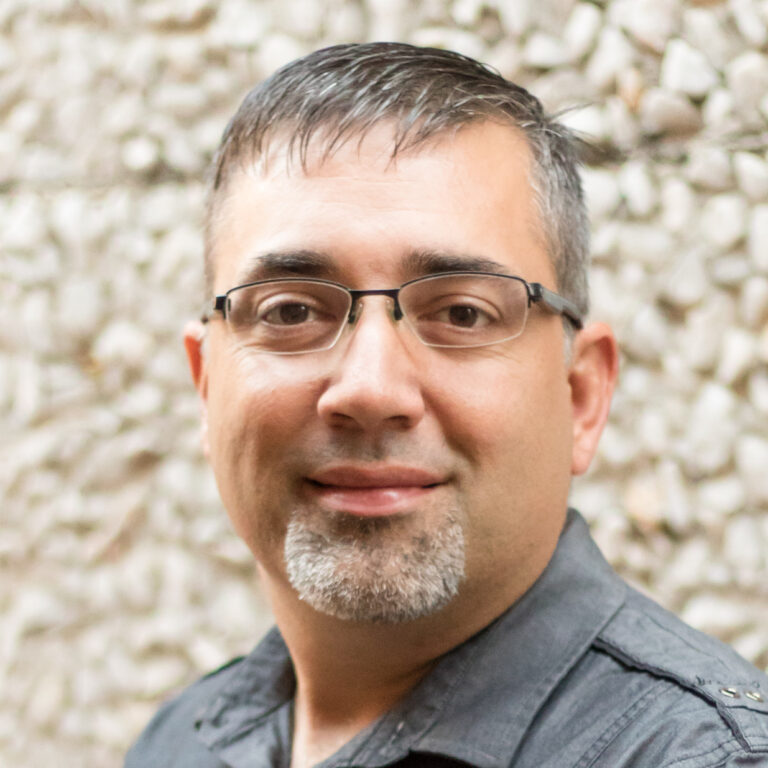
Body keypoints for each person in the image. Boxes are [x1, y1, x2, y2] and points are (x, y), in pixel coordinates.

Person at [126, 42, 768, 768]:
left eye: (462, 314)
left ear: (581, 396)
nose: (371, 389)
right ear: (207, 386)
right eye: (291, 311)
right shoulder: (179, 743)